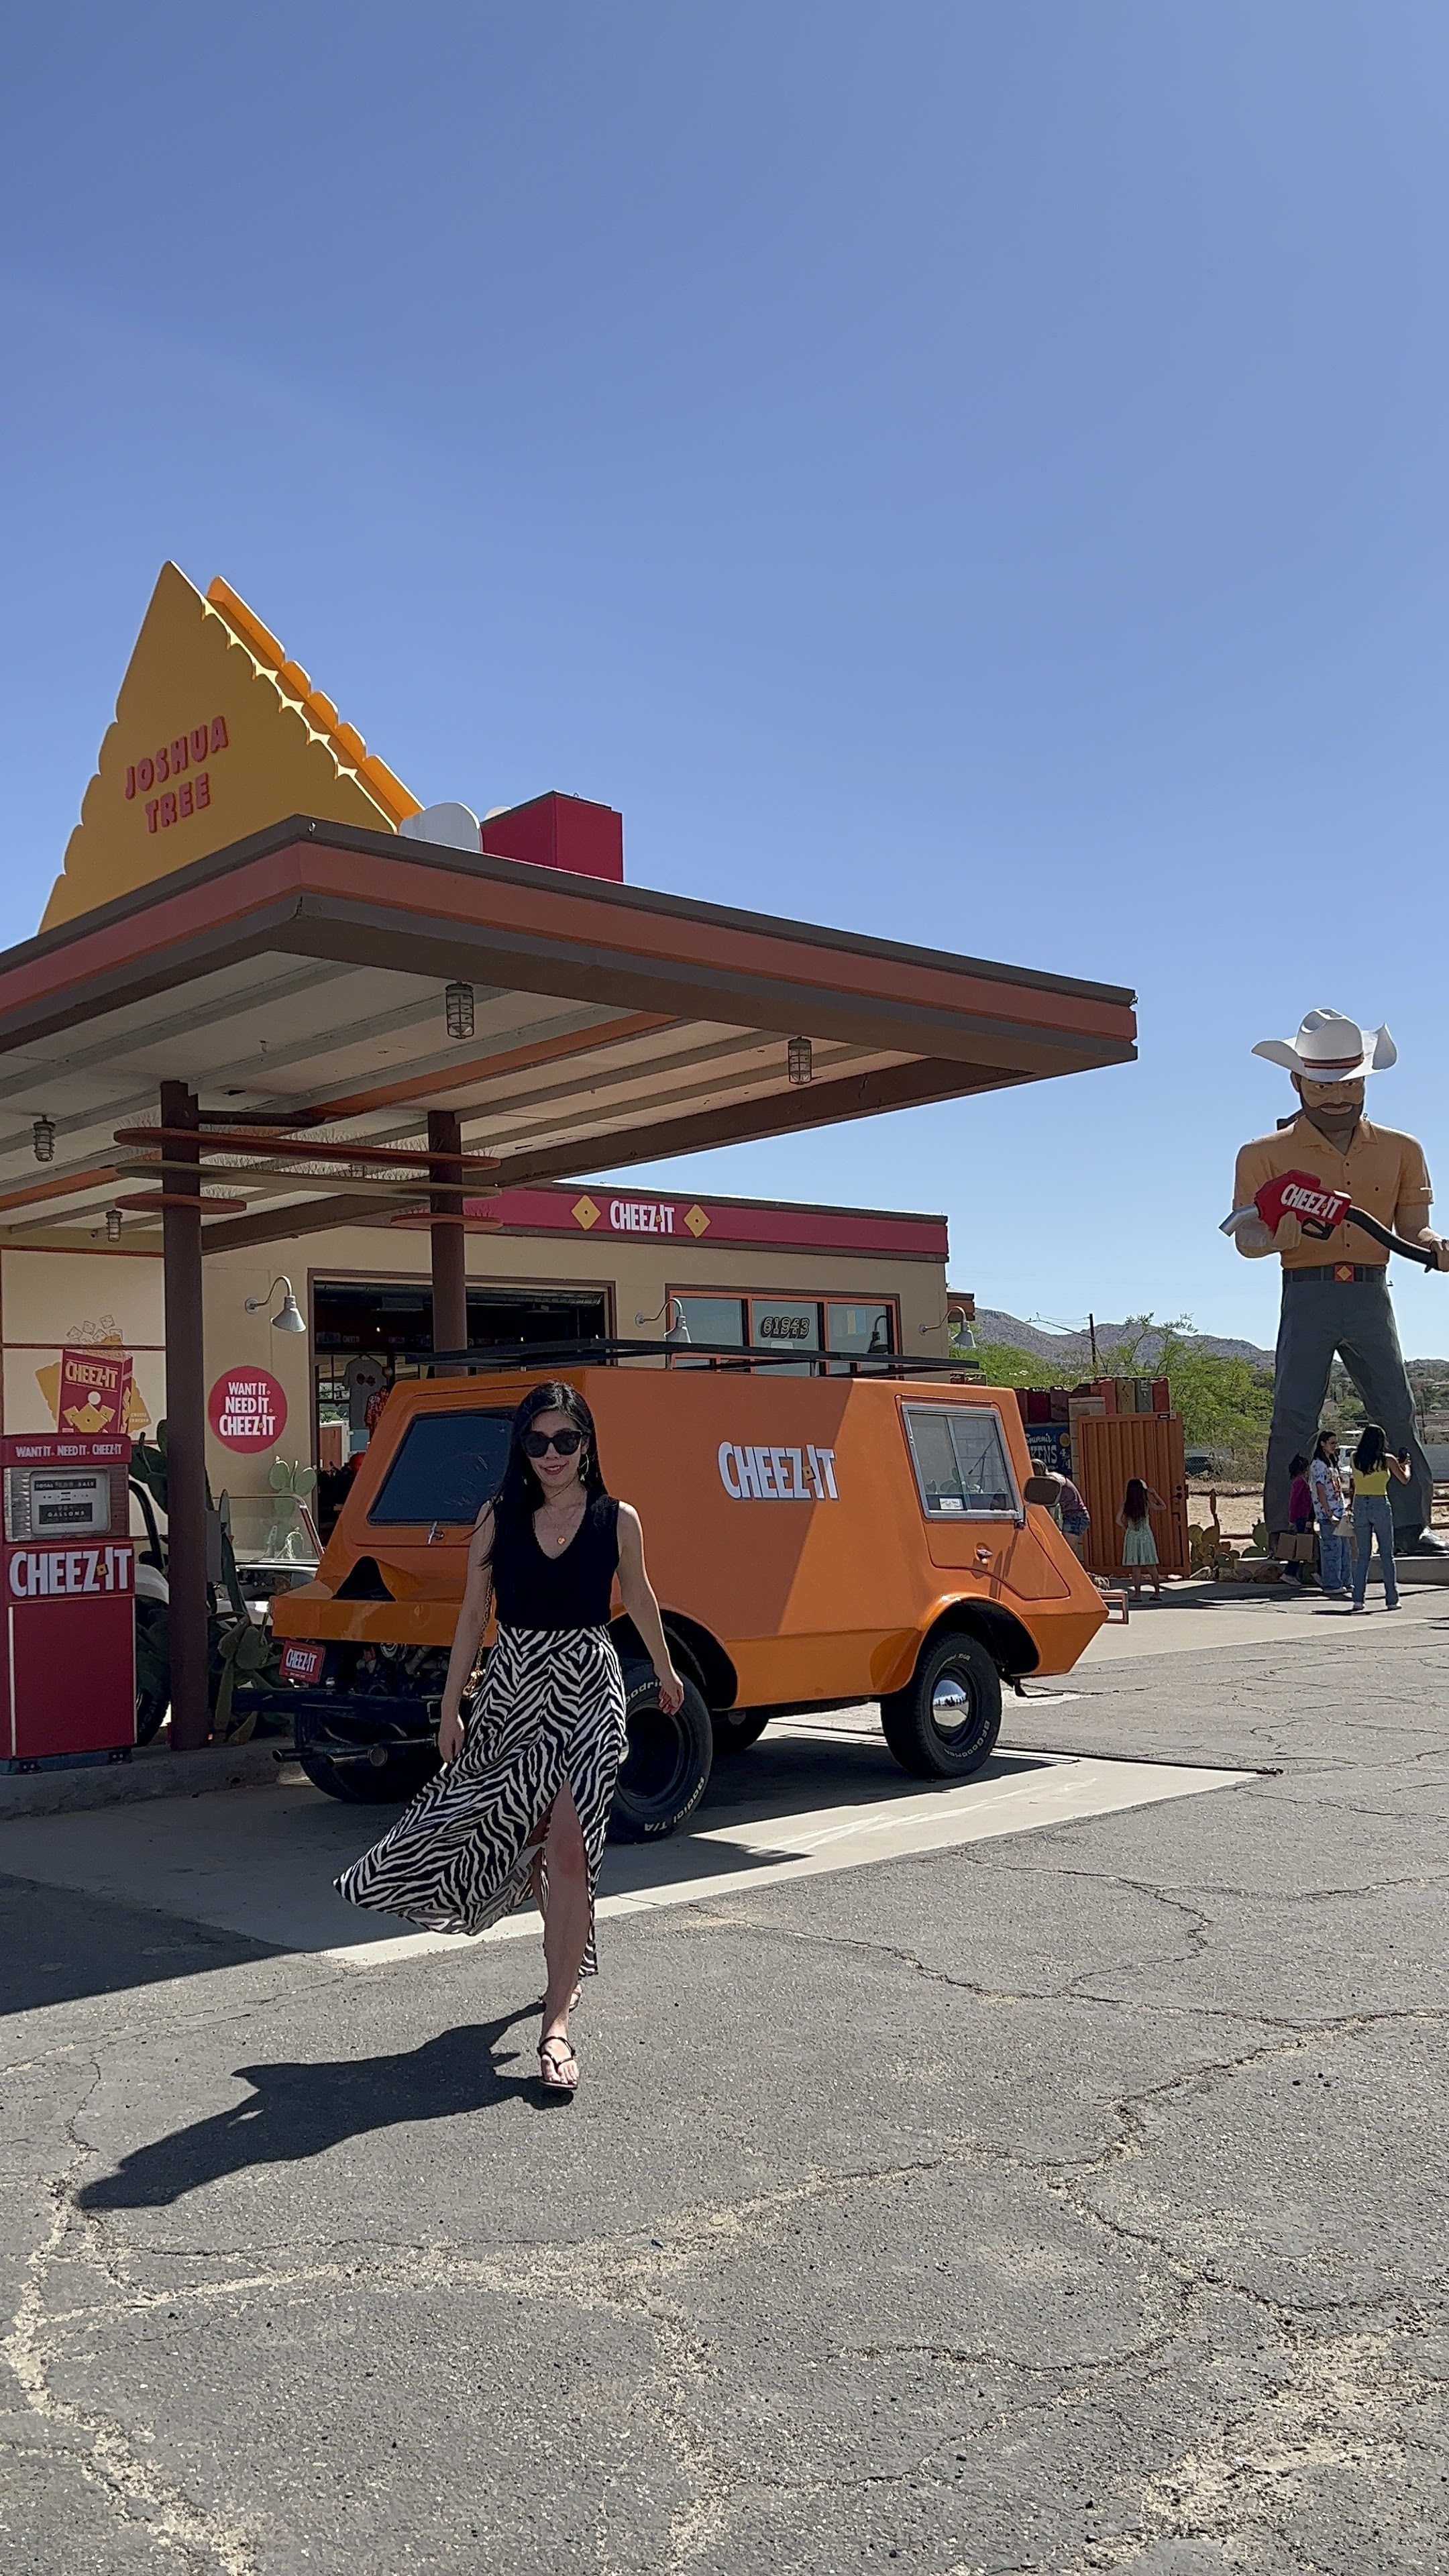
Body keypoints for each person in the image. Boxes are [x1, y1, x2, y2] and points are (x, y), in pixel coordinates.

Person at [335, 1382, 684, 2095]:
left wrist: (669, 1670)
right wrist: (448, 1707)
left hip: (590, 1684)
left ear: (587, 1445)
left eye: (566, 1440)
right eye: (537, 1441)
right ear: (521, 1450)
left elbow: (641, 1598)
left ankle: (556, 2024)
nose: (552, 1454)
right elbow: (471, 1616)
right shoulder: (497, 1518)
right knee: (510, 1833)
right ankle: (546, 1904)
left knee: (572, 1843)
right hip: (516, 1686)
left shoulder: (619, 1520)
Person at [1225, 1007, 1449, 1557]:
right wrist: (1283, 1234)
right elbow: (1245, 1238)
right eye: (1323, 1084)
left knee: (1396, 1408)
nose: (1336, 1096)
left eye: (1348, 1083)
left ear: (1365, 1080)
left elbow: (1410, 1225)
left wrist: (1431, 1242)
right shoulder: (1263, 1155)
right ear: (1297, 1080)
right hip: (1307, 1288)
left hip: (1373, 1288)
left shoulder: (1404, 1149)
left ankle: (1410, 1526)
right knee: (1294, 1413)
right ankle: (1287, 1532)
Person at [1348, 1423, 1409, 1613]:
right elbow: (1404, 1479)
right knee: (1386, 1555)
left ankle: (1358, 1599)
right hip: (1379, 1503)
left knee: (1363, 1555)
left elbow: (1354, 1483)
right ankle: (1391, 1598)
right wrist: (1406, 1466)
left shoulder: (1354, 1458)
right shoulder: (1387, 1459)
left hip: (1360, 1503)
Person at [1308, 1431, 1349, 1599]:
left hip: (1340, 1511)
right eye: (1332, 1443)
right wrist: (1328, 1512)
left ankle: (1345, 1581)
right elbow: (1320, 1490)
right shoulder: (1318, 1465)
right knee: (1331, 1550)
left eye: (1336, 1443)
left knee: (1344, 1550)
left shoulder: (1331, 1464)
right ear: (1323, 1444)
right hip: (1329, 1514)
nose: (1335, 1446)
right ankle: (1332, 1584)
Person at [1118, 1477, 1164, 1599]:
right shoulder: (1146, 1504)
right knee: (1151, 1565)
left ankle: (1137, 1594)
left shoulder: (1126, 1504)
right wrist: (1154, 1494)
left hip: (1132, 1537)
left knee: (1136, 1567)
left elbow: (1118, 1520)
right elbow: (1162, 1506)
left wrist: (1126, 1528)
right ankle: (1157, 1593)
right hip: (1146, 1536)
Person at [1283, 1452, 1314, 1584]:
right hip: (1300, 1518)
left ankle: (1293, 1572)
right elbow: (1294, 1502)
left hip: (1303, 1517)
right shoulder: (1300, 1482)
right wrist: (1292, 1519)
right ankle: (1289, 1572)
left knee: (1301, 1545)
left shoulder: (1301, 1481)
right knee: (1298, 1546)